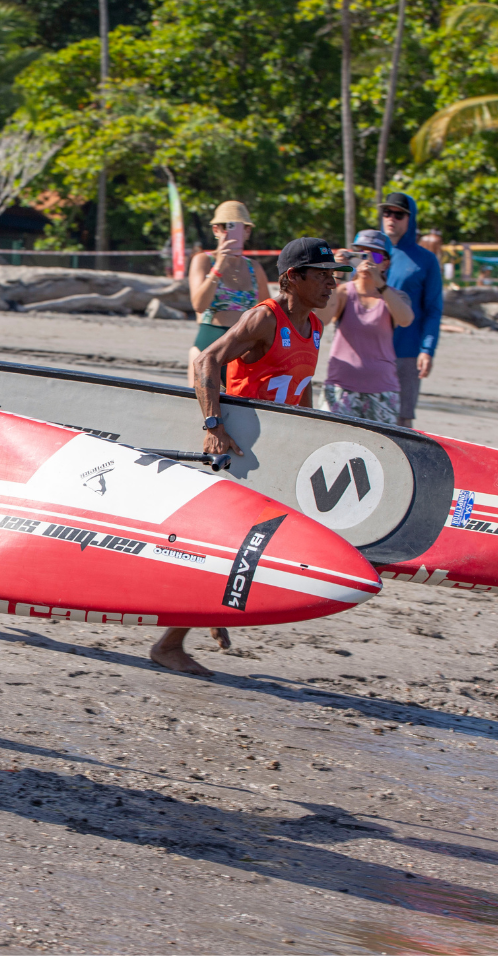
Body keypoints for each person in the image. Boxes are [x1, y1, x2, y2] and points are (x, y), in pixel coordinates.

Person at [150, 237, 352, 677]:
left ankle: (201, 617)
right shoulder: (264, 318)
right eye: (321, 275)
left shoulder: (316, 327)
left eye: (333, 276)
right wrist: (213, 426)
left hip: (275, 456)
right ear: (291, 278)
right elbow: (207, 362)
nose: (330, 284)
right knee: (235, 551)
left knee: (247, 551)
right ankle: (172, 641)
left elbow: (301, 387)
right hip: (238, 456)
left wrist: (312, 432)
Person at [317, 230, 414, 425]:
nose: (367, 261)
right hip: (341, 386)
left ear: (385, 263)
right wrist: (335, 274)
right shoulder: (343, 291)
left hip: (382, 390)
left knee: (381, 450)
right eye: (361, 255)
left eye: (375, 256)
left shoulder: (394, 296)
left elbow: (406, 320)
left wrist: (380, 285)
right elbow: (323, 318)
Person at [377, 192, 443, 428]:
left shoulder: (425, 260)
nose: (391, 218)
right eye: (387, 213)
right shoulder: (371, 253)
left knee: (401, 421)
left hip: (406, 352)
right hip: (369, 350)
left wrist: (427, 349)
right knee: (362, 417)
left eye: (398, 214)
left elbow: (434, 309)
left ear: (410, 219)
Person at [186, 201, 266, 389]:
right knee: (202, 413)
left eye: (243, 228)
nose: (236, 233)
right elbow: (198, 304)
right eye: (226, 227)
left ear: (247, 232)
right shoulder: (204, 261)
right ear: (216, 230)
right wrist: (219, 266)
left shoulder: (254, 268)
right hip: (209, 347)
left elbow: (267, 312)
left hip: (244, 352)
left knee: (244, 414)